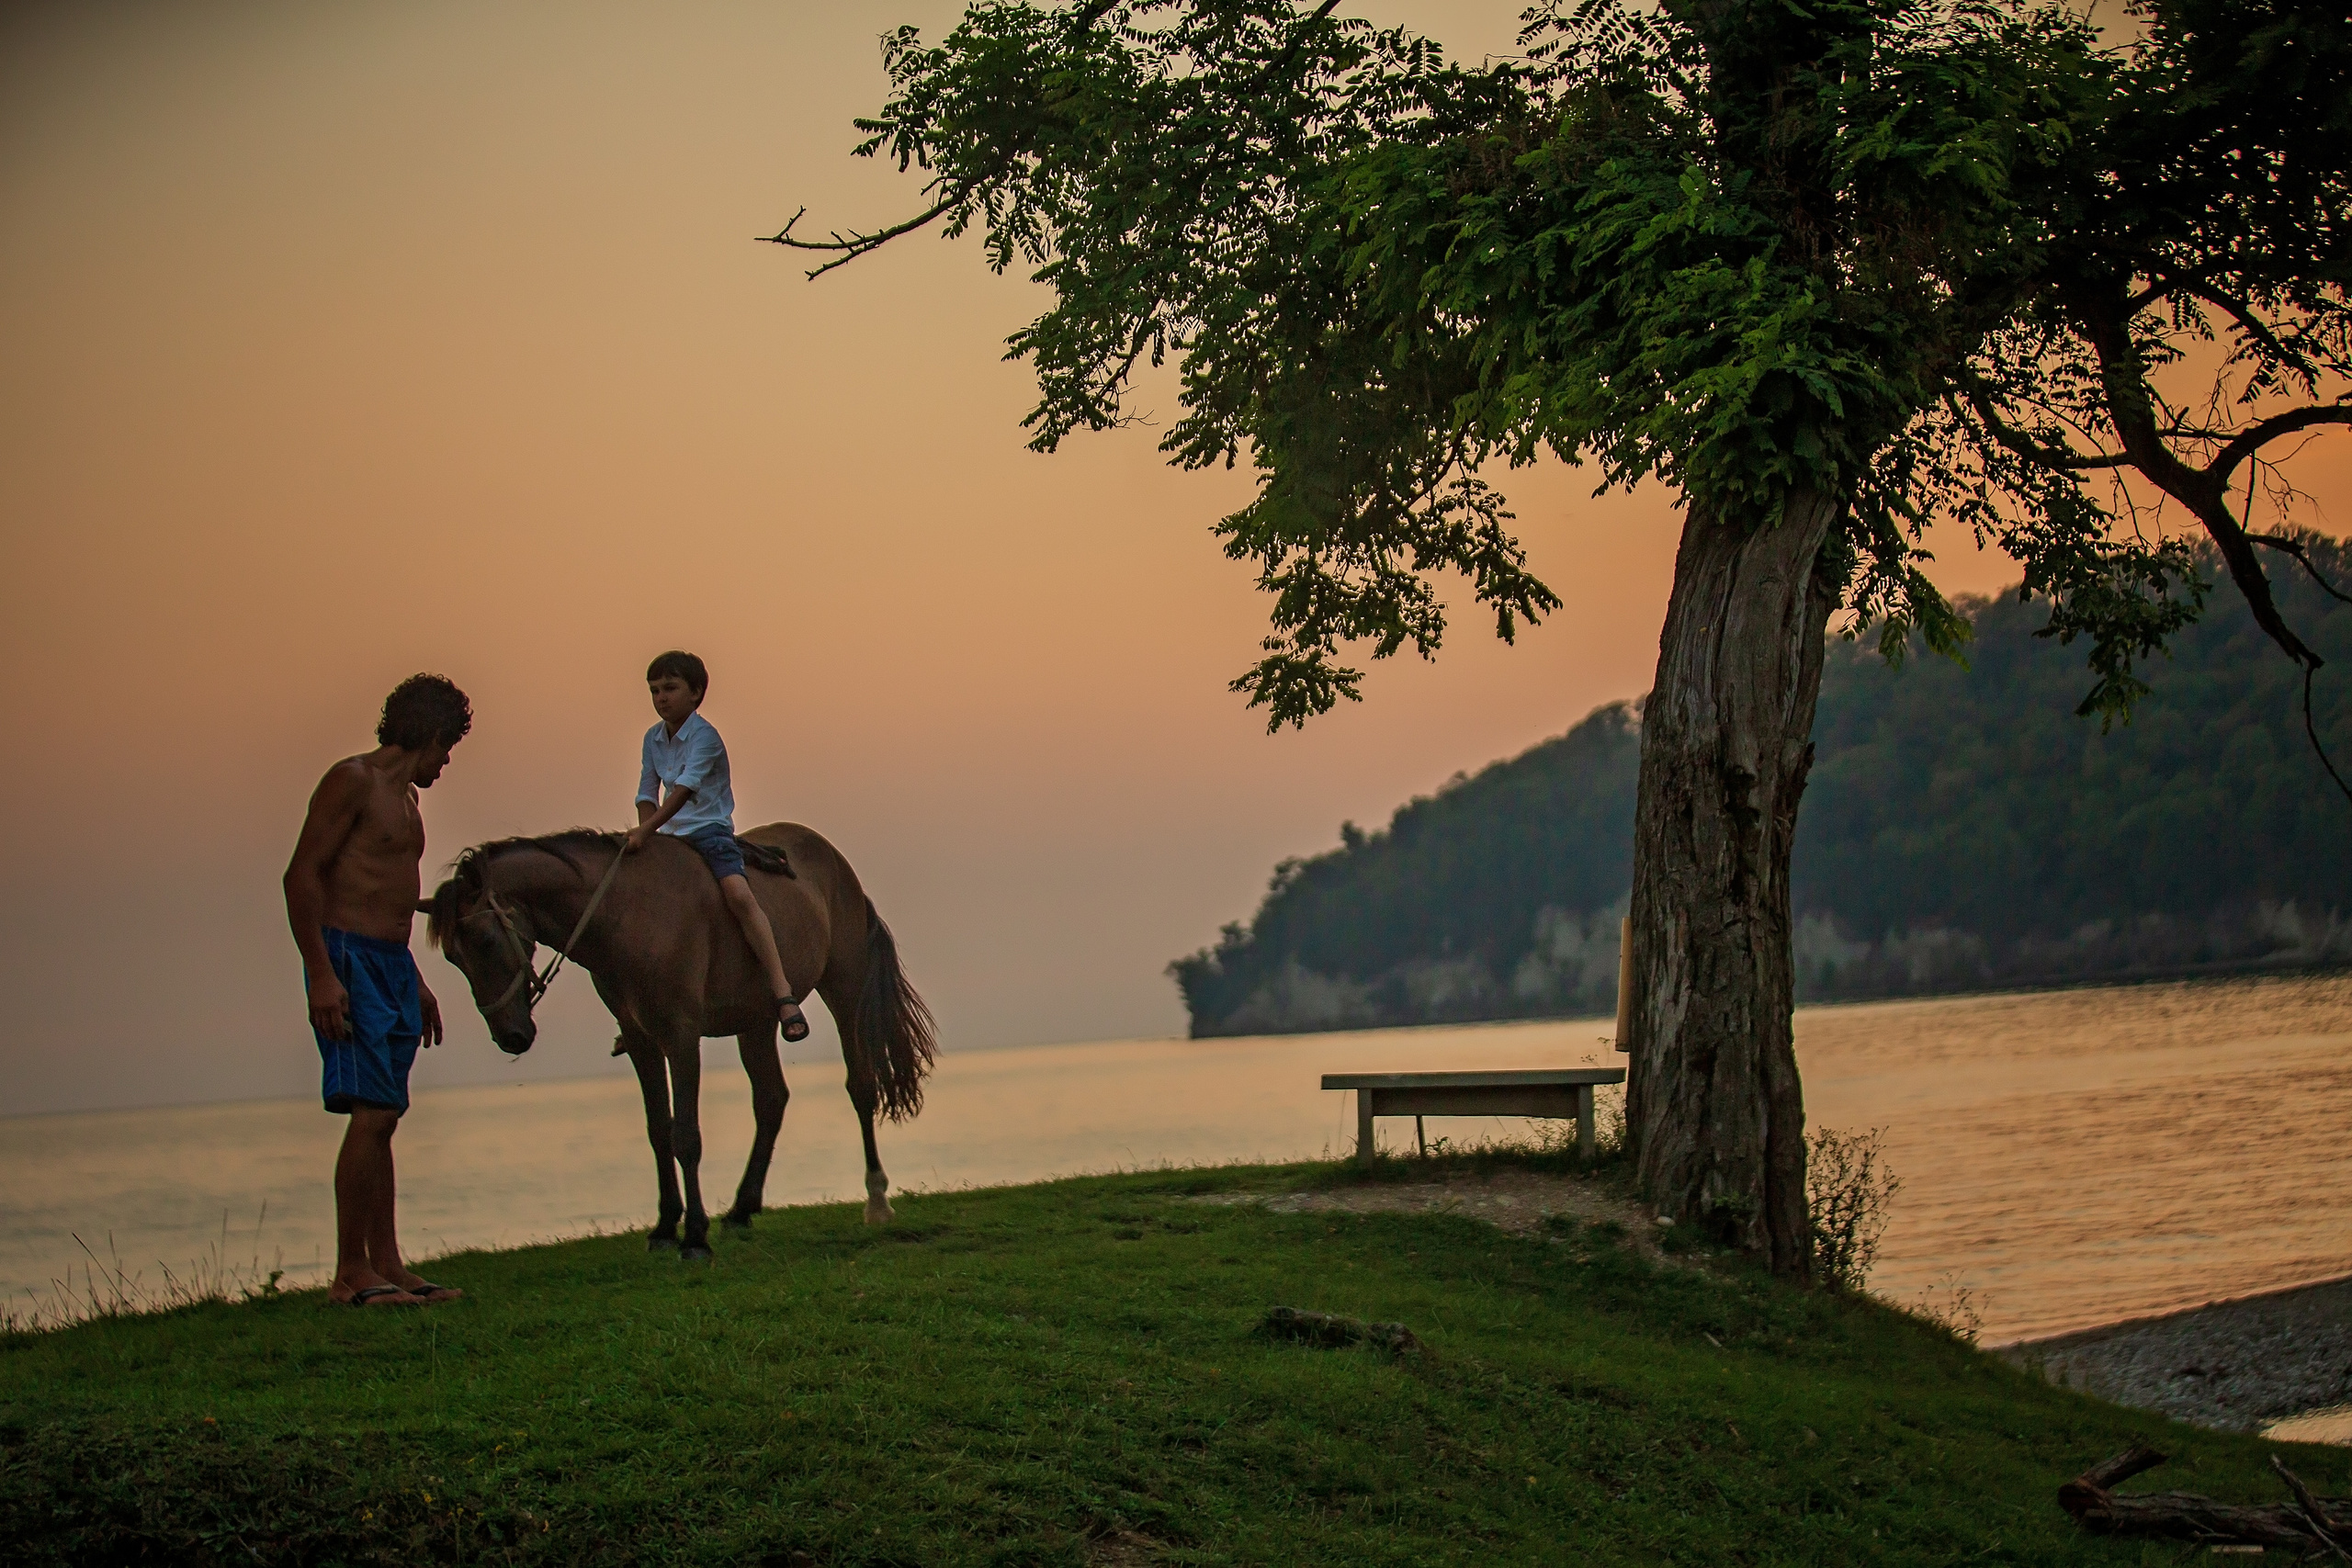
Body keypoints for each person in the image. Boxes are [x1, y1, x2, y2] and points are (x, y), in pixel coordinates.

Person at [282, 673, 472, 1308]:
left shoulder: (409, 800)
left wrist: (415, 979)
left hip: (392, 964)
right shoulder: (352, 780)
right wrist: (320, 973)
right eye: (448, 747)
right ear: (431, 734)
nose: (447, 762)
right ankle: (349, 1272)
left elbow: (388, 893)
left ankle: (387, 1262)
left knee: (385, 1116)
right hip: (348, 958)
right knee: (371, 1112)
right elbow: (301, 875)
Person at [625, 649, 809, 1042]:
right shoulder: (652, 738)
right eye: (654, 690)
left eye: (670, 688)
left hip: (708, 831)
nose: (661, 698)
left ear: (695, 693)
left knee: (739, 895)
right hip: (668, 837)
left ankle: (783, 992)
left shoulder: (705, 737)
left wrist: (645, 832)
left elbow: (683, 790)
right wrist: (648, 836)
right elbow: (647, 790)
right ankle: (638, 1013)